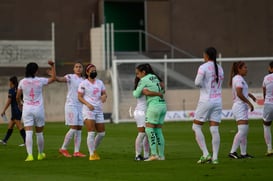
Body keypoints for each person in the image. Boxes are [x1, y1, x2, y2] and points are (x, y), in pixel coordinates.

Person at [16, 61, 56, 161]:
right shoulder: (40, 80)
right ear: (36, 71)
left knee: (28, 132)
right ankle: (40, 154)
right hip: (38, 109)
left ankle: (29, 155)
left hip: (27, 109)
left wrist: (19, 103)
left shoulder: (22, 82)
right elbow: (53, 79)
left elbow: (17, 96)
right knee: (39, 133)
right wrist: (52, 66)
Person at [192, 47, 224, 165]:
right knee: (214, 129)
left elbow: (197, 82)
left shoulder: (203, 67)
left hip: (206, 100)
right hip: (218, 101)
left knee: (196, 127)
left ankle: (206, 154)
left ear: (206, 55)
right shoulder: (220, 68)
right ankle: (215, 158)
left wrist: (203, 85)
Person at [133, 63, 167, 161]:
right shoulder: (152, 78)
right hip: (143, 110)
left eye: (138, 73)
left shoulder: (145, 80)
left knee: (148, 132)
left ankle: (151, 155)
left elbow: (136, 93)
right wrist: (159, 93)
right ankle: (140, 155)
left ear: (143, 72)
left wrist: (157, 92)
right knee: (147, 132)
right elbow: (162, 89)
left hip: (152, 108)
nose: (137, 76)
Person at [78, 64, 107, 160]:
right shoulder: (83, 83)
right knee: (91, 132)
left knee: (102, 133)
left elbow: (104, 93)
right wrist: (88, 104)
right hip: (88, 110)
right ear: (87, 72)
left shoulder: (100, 83)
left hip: (98, 110)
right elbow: (79, 97)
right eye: (92, 70)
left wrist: (104, 97)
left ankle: (93, 149)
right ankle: (91, 154)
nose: (94, 72)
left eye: (95, 70)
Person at [57, 62, 86, 158]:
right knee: (73, 127)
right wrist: (54, 75)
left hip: (80, 106)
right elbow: (61, 79)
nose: (78, 68)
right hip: (71, 105)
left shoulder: (84, 80)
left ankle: (76, 151)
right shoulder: (70, 77)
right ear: (73, 69)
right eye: (76, 67)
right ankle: (63, 148)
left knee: (79, 129)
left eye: (80, 67)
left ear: (82, 69)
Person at [228, 61, 256, 159]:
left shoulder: (238, 79)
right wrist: (249, 103)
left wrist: (250, 95)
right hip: (240, 106)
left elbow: (243, 91)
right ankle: (232, 152)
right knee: (243, 130)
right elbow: (239, 93)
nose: (246, 69)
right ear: (239, 69)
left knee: (244, 130)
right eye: (244, 67)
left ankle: (243, 153)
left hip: (239, 106)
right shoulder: (239, 79)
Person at [0, 76, 25, 146]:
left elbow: (9, 102)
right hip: (19, 110)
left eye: (9, 81)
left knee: (19, 126)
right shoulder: (19, 89)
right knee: (10, 125)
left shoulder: (11, 90)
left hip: (15, 110)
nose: (9, 83)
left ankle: (26, 142)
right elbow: (23, 99)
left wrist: (4, 110)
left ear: (11, 82)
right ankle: (5, 140)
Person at [262, 61, 273, 156]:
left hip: (269, 103)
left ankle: (269, 149)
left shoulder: (266, 78)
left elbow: (264, 92)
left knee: (266, 125)